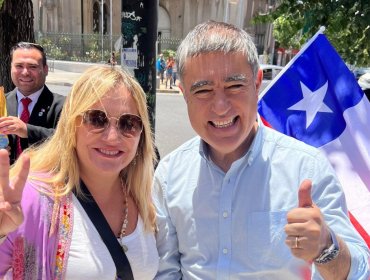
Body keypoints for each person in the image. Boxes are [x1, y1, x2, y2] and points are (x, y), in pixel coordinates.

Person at [152, 21, 370, 279]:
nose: (220, 106)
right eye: (203, 90)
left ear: (257, 84)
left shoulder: (307, 168)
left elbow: (359, 271)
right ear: (184, 93)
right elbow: (165, 271)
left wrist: (326, 247)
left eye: (234, 86)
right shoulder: (169, 174)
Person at [0, 66, 159, 279]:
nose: (112, 137)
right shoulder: (35, 197)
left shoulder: (145, 196)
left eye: (128, 123)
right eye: (96, 119)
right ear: (70, 125)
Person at [0, 42, 65, 164]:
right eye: (19, 66)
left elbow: (69, 141)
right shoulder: (1, 103)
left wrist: (27, 130)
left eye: (32, 67)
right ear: (11, 68)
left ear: (45, 69)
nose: (25, 72)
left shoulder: (64, 105)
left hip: (45, 180)